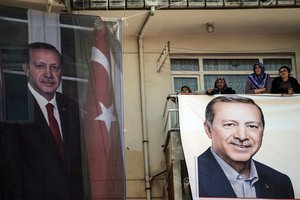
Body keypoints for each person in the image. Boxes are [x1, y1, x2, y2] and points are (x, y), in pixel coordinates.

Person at [1, 42, 83, 200]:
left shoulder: (71, 107)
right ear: (26, 69)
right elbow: (9, 174)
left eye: (55, 67)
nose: (49, 74)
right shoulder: (9, 108)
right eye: (40, 66)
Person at [198, 95, 294, 198]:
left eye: (252, 126)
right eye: (229, 125)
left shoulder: (281, 182)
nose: (242, 136)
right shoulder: (190, 177)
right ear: (208, 129)